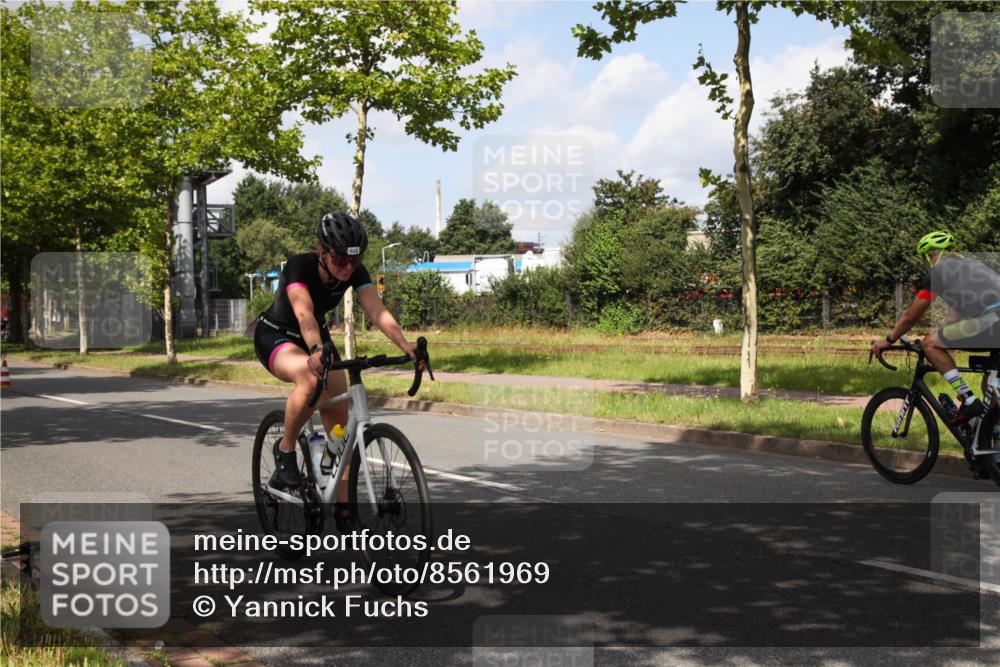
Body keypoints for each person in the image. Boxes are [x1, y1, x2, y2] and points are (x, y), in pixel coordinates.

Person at [252, 212, 422, 505]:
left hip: (317, 341)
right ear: (322, 252)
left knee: (340, 428)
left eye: (354, 260)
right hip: (278, 335)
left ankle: (344, 508)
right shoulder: (299, 267)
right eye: (340, 259)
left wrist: (406, 345)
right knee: (308, 379)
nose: (348, 267)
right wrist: (316, 351)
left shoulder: (354, 270)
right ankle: (286, 448)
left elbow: (377, 311)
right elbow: (304, 313)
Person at [871, 231, 1000, 425]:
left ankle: (968, 399)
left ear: (930, 255)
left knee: (930, 345)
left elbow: (911, 315)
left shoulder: (938, 271)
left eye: (924, 259)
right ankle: (991, 450)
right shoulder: (972, 267)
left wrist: (888, 340)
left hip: (992, 321)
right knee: (990, 393)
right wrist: (937, 332)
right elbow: (955, 314)